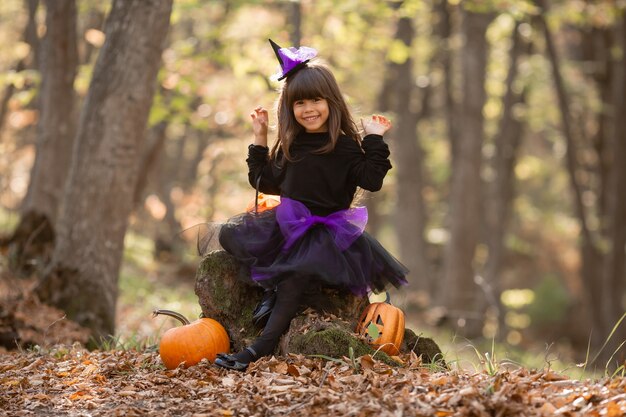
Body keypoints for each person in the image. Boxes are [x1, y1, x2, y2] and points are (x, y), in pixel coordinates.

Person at [214, 39, 408, 371]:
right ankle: (269, 285)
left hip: (326, 233)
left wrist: (374, 137)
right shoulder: (292, 145)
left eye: (315, 99)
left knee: (296, 275)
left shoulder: (346, 147)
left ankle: (260, 347)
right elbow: (265, 182)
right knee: (228, 235)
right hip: (286, 224)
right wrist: (259, 137)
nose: (308, 109)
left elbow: (372, 179)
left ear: (330, 102)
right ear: (289, 108)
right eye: (299, 102)